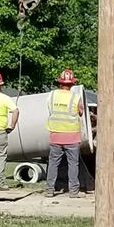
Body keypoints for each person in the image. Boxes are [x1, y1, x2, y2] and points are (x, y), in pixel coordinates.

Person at [46, 69, 84, 198]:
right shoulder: (75, 97)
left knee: (53, 163)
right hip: (72, 135)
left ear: (60, 83)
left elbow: (49, 109)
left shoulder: (51, 95)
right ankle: (73, 191)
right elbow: (81, 112)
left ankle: (50, 190)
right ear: (72, 84)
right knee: (73, 164)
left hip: (55, 134)